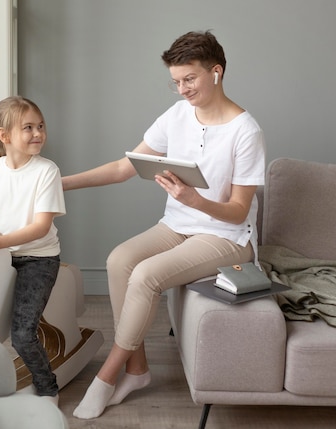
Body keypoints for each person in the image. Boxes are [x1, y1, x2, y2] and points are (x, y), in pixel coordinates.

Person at [64, 31, 266, 419]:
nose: (182, 90)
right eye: (176, 82)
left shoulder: (246, 130)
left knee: (145, 276)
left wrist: (196, 200)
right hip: (177, 225)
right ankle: (137, 370)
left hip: (225, 237)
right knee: (119, 260)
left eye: (189, 79)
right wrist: (60, 183)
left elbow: (239, 211)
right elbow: (124, 167)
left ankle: (107, 375)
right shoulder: (176, 116)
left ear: (216, 72)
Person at [0, 95, 66, 406]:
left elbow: (39, 228)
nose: (38, 133)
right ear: (4, 135)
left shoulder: (46, 171)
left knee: (22, 333)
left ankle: (48, 387)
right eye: (28, 128)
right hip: (1, 257)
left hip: (38, 259)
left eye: (40, 126)